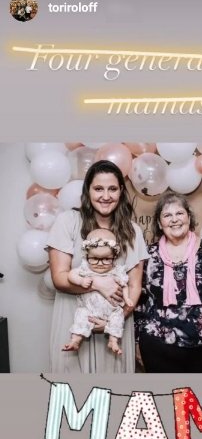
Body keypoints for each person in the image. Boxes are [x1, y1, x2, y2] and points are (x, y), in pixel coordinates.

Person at [47, 159, 149, 373]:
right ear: (88, 190)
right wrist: (98, 284)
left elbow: (135, 287)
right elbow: (59, 278)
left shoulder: (133, 231)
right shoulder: (68, 222)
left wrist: (114, 322)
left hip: (114, 326)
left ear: (121, 191)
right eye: (98, 188)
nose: (105, 196)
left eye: (112, 189)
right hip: (73, 322)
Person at [134, 191, 202, 373]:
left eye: (179, 213)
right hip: (157, 346)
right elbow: (140, 302)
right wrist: (136, 341)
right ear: (160, 223)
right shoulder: (148, 255)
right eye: (167, 215)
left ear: (189, 218)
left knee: (199, 399)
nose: (174, 219)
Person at [62, 228, 133, 355]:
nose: (100, 263)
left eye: (106, 259)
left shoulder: (117, 270)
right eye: (94, 258)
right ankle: (76, 339)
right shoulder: (85, 268)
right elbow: (71, 274)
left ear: (114, 256)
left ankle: (113, 340)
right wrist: (80, 281)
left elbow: (125, 285)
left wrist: (127, 298)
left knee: (118, 317)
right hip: (89, 309)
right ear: (87, 255)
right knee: (81, 315)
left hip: (112, 310)